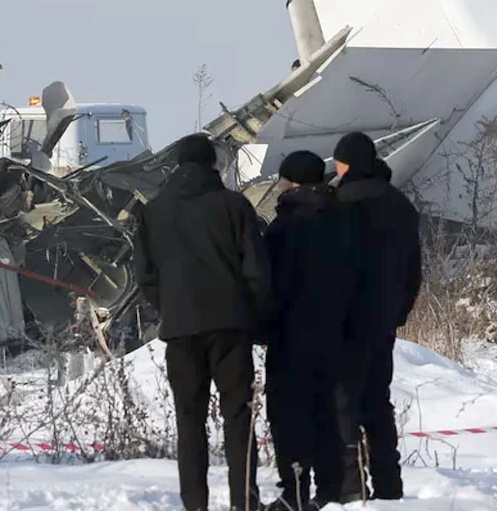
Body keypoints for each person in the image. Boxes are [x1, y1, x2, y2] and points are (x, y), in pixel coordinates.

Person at [133, 134, 273, 511]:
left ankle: (195, 504)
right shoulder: (234, 205)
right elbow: (256, 271)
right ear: (213, 164)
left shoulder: (154, 211)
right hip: (230, 326)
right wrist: (254, 316)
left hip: (180, 329)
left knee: (189, 421)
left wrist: (171, 306)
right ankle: (245, 501)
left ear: (177, 165)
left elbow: (144, 275)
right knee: (238, 415)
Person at [262, 151, 358, 510]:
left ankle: (296, 492)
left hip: (290, 336)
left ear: (293, 182)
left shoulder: (282, 228)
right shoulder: (345, 222)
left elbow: (264, 283)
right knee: (330, 411)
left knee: (290, 415)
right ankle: (332, 489)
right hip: (339, 333)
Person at [331, 132, 422, 502]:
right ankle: (389, 485)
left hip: (346, 319)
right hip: (383, 320)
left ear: (347, 163)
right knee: (378, 403)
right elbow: (413, 270)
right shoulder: (401, 205)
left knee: (344, 402)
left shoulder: (339, 203)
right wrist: (397, 312)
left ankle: (352, 488)